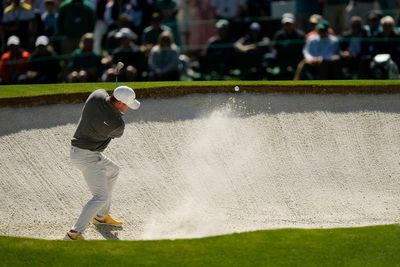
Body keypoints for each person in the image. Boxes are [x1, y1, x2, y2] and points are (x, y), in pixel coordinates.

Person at [65, 85, 140, 240]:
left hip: (81, 150)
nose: (127, 108)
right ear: (120, 103)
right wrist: (115, 114)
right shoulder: (117, 125)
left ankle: (101, 216)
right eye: (126, 105)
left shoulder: (96, 96)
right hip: (87, 157)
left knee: (113, 171)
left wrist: (112, 108)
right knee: (100, 196)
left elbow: (103, 94)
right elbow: (117, 131)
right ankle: (74, 233)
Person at [272, 13, 305, 79]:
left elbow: (303, 50)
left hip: (296, 62)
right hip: (282, 62)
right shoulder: (279, 35)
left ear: (294, 23)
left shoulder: (301, 34)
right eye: (286, 24)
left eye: (289, 23)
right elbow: (275, 48)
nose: (288, 25)